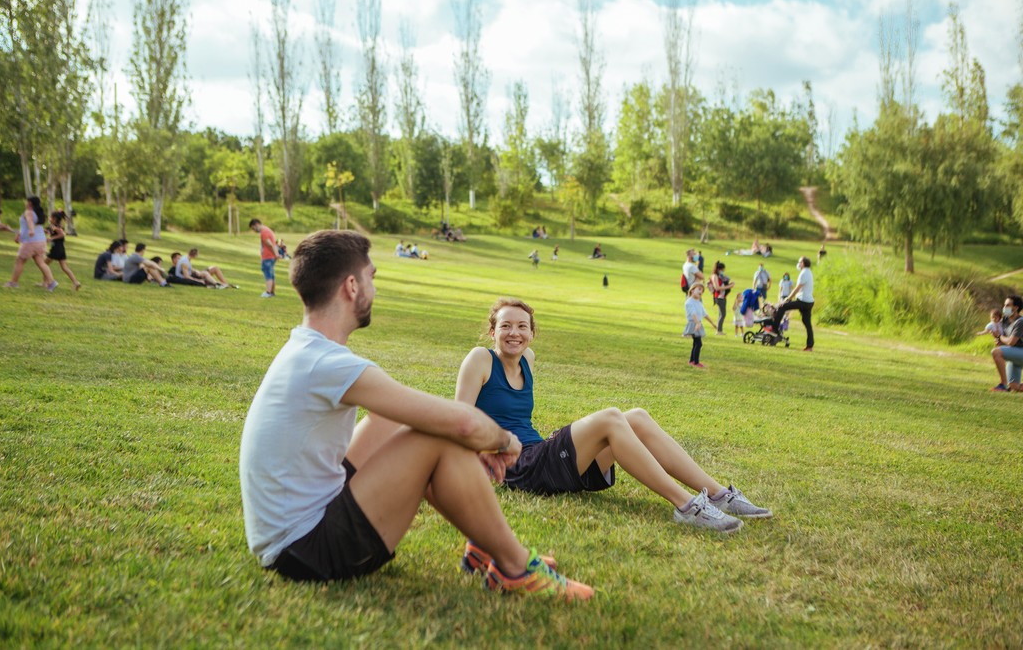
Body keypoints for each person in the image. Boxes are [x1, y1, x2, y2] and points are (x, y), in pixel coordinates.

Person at [239, 231, 592, 599]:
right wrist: (503, 441)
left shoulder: (307, 350)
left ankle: (486, 545)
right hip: (307, 549)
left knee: (402, 421)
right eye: (371, 277)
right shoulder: (327, 363)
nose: (374, 287)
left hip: (294, 534)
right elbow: (461, 422)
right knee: (437, 435)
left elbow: (413, 414)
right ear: (351, 286)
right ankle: (515, 567)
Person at [446, 297, 770, 535]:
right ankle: (686, 505)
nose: (514, 333)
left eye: (522, 326)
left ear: (532, 333)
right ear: (492, 332)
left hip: (541, 455)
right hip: (520, 468)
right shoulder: (480, 359)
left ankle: (719, 495)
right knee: (611, 417)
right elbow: (460, 421)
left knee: (637, 417)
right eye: (505, 326)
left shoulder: (527, 359)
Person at [4, 196, 58, 291]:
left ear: (30, 203)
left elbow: (29, 223)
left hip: (30, 241)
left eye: (27, 201)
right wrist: (19, 235)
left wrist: (31, 230)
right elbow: (24, 226)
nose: (25, 203)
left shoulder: (28, 212)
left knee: (19, 260)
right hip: (41, 241)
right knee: (41, 262)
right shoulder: (38, 213)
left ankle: (13, 282)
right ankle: (51, 282)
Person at [767, 256, 814, 351]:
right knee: (807, 323)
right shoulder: (808, 272)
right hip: (809, 302)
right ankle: (810, 346)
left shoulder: (804, 273)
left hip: (803, 301)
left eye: (800, 262)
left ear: (803, 263)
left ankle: (774, 329)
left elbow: (797, 288)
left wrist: (787, 299)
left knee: (782, 307)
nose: (798, 264)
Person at [990, 295, 1023, 392]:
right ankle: (1009, 385)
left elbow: (1011, 342)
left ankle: (1003, 384)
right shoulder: (1004, 320)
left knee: (996, 352)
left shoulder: (1020, 322)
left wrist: (1000, 336)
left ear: (1016, 308)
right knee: (1014, 387)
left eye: (1008, 305)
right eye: (1004, 305)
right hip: (1016, 355)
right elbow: (1006, 343)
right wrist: (999, 341)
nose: (1004, 308)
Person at [683, 282, 718, 368]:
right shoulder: (689, 302)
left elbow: (704, 314)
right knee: (698, 343)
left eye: (702, 291)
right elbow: (693, 313)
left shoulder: (699, 302)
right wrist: (697, 323)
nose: (701, 291)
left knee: (696, 343)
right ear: (692, 290)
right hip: (693, 324)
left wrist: (713, 323)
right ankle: (696, 362)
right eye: (699, 289)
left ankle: (692, 361)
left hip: (698, 324)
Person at [45, 211, 81, 290]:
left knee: (44, 265)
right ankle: (75, 282)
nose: (49, 218)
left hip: (56, 249)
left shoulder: (56, 227)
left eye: (50, 217)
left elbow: (62, 234)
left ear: (54, 218)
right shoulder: (53, 226)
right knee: (64, 267)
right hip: (61, 249)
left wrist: (51, 238)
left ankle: (45, 283)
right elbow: (47, 230)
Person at [249, 219, 281, 298]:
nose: (254, 231)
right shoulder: (268, 230)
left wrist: (276, 254)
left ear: (256, 224)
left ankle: (268, 292)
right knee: (271, 274)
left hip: (268, 257)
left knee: (268, 274)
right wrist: (276, 254)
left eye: (253, 228)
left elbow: (270, 244)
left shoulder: (264, 232)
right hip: (271, 256)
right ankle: (272, 292)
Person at [708, 261, 734, 336]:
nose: (723, 271)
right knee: (723, 314)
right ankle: (719, 331)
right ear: (719, 269)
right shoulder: (715, 276)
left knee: (721, 314)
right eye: (722, 269)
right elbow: (717, 287)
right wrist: (729, 286)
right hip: (719, 297)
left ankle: (719, 330)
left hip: (722, 297)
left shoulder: (718, 276)